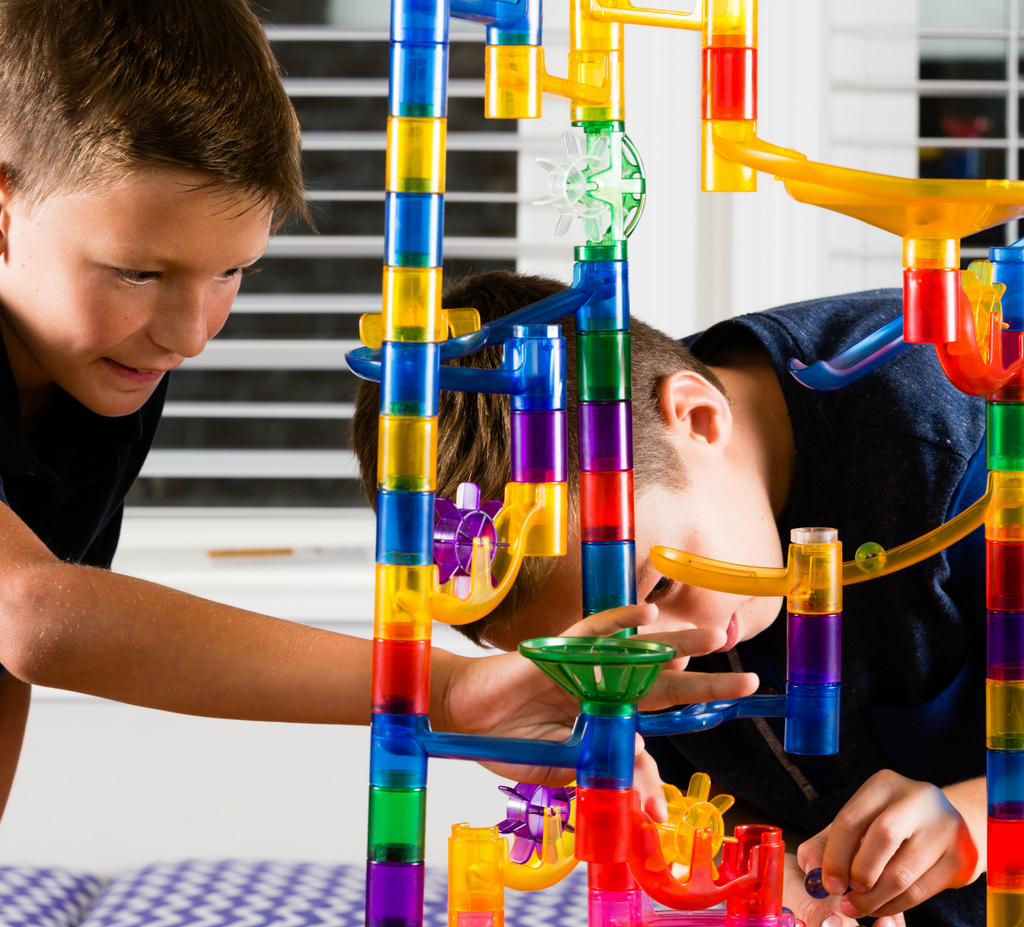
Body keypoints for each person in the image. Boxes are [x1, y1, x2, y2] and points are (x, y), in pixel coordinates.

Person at [0, 2, 756, 821]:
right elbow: (30, 617)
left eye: (230, 272)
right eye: (139, 274)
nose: (190, 334)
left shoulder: (98, 365)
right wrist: (451, 690)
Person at [352, 269, 990, 927]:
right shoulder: (641, 491)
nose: (670, 660)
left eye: (659, 590)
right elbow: (698, 815)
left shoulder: (952, 434)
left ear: (697, 417)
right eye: (597, 665)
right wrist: (754, 882)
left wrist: (980, 817)